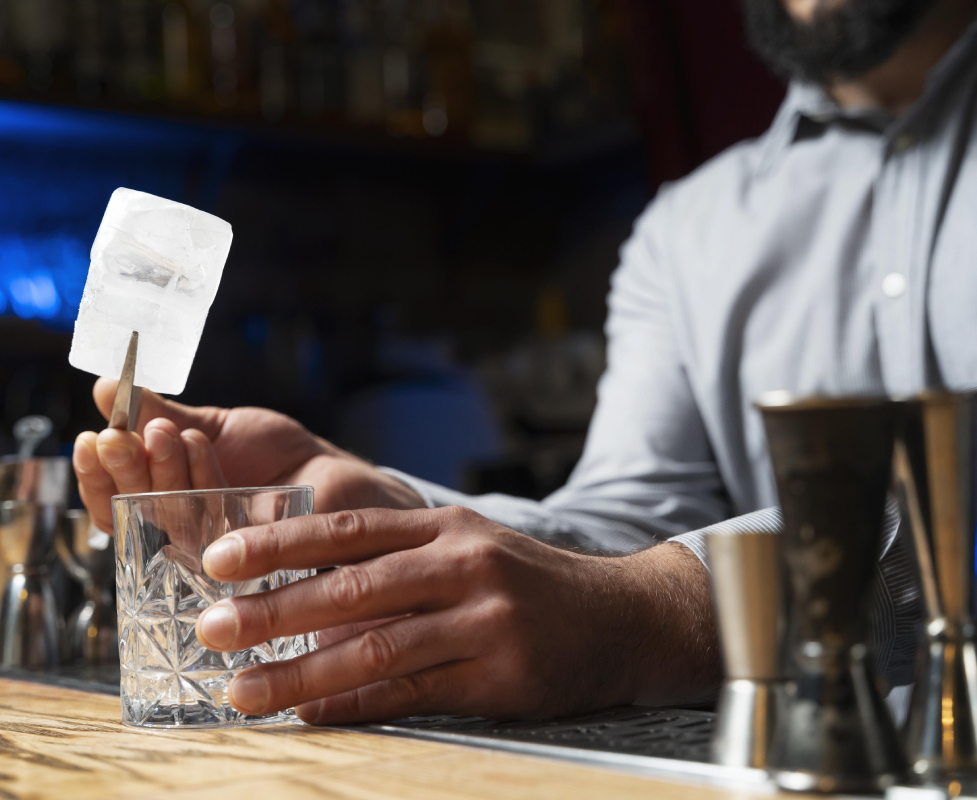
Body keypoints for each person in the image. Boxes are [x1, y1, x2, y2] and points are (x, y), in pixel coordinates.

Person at [74, 0, 977, 725]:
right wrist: (396, 518)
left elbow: (642, 594)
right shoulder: (688, 230)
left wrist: (656, 615)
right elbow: (637, 524)